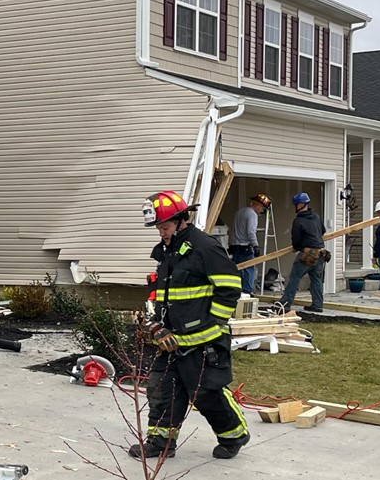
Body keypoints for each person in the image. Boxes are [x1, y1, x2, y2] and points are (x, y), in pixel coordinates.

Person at [130, 190, 249, 461]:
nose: (161, 232)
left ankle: (234, 436)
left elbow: (230, 288)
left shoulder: (205, 247)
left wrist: (211, 325)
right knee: (161, 389)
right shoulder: (167, 252)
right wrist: (156, 327)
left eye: (165, 226)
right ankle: (160, 444)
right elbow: (160, 294)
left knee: (206, 393)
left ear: (181, 220)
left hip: (204, 341)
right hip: (170, 340)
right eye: (159, 228)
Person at [278, 192, 326, 312]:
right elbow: (323, 231)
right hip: (320, 252)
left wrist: (298, 247)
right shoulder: (316, 216)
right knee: (316, 280)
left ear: (300, 205)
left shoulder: (298, 221)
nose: (295, 207)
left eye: (295, 205)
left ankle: (285, 304)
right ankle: (318, 305)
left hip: (307, 254)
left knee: (294, 278)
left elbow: (296, 240)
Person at [229, 194, 271, 294]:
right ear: (257, 206)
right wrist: (255, 245)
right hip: (245, 246)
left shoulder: (240, 212)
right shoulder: (252, 214)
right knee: (249, 269)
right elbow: (251, 232)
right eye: (262, 208)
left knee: (238, 269)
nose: (262, 211)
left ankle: (237, 291)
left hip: (234, 245)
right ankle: (248, 292)